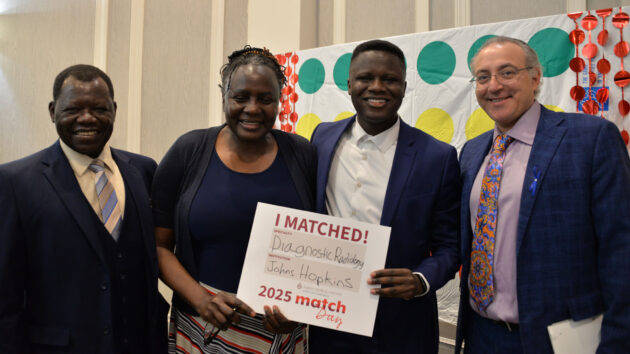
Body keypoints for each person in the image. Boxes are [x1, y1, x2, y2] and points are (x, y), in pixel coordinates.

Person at [455, 36, 630, 354]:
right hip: (480, 335)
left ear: (535, 78)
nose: (494, 86)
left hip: (562, 339)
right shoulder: (471, 152)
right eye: (483, 77)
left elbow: (622, 249)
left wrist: (618, 342)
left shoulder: (590, 139)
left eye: (507, 72)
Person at [152, 46, 316, 353]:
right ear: (224, 95)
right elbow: (159, 246)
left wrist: (301, 310)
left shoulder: (302, 154)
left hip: (281, 333)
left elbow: (318, 248)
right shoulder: (188, 151)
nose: (252, 108)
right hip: (204, 326)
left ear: (280, 100)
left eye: (265, 99)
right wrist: (202, 300)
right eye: (241, 97)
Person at [0, 64, 168, 353]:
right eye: (73, 109)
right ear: (53, 111)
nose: (87, 118)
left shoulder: (143, 170)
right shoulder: (15, 182)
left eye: (99, 109)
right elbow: (5, 293)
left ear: (114, 109)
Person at [308, 39, 461, 353]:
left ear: (404, 87)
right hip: (327, 320)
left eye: (389, 79)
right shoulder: (321, 138)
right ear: (349, 84)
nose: (376, 87)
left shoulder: (437, 156)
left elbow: (451, 244)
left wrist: (420, 280)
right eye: (365, 78)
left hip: (401, 325)